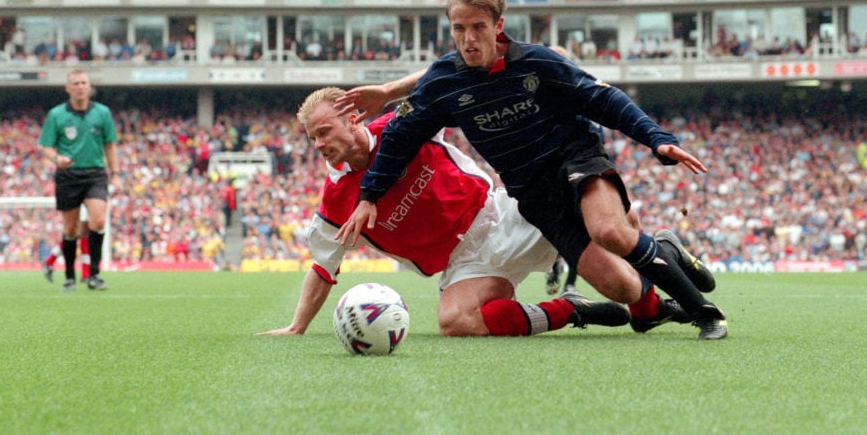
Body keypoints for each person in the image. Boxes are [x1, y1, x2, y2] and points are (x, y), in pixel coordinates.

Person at [338, 0, 727, 339]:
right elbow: (399, 137)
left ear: (498, 25)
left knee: (609, 230)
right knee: (621, 287)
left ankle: (705, 313)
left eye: (478, 27)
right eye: (459, 29)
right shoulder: (443, 83)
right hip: (536, 196)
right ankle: (665, 256)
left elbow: (601, 97)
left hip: (575, 160)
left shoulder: (537, 62)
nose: (468, 38)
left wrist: (655, 138)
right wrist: (369, 196)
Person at [259, 87, 689, 338]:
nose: (317, 144)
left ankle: (648, 297)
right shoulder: (335, 202)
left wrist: (389, 93)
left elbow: (441, 80)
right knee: (455, 321)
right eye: (312, 138)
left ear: (352, 118)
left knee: (615, 253)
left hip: (507, 214)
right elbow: (322, 267)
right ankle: (571, 309)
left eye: (323, 131)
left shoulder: (400, 124)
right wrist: (297, 326)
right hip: (464, 263)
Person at [38, 69, 120, 291]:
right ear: (68, 88)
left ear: (89, 86)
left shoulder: (102, 113)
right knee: (71, 229)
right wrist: (57, 158)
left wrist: (116, 174)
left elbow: (110, 145)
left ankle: (94, 274)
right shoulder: (56, 115)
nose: (80, 87)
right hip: (68, 176)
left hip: (95, 173)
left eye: (84, 82)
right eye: (76, 83)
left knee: (98, 221)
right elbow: (46, 146)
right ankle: (69, 276)